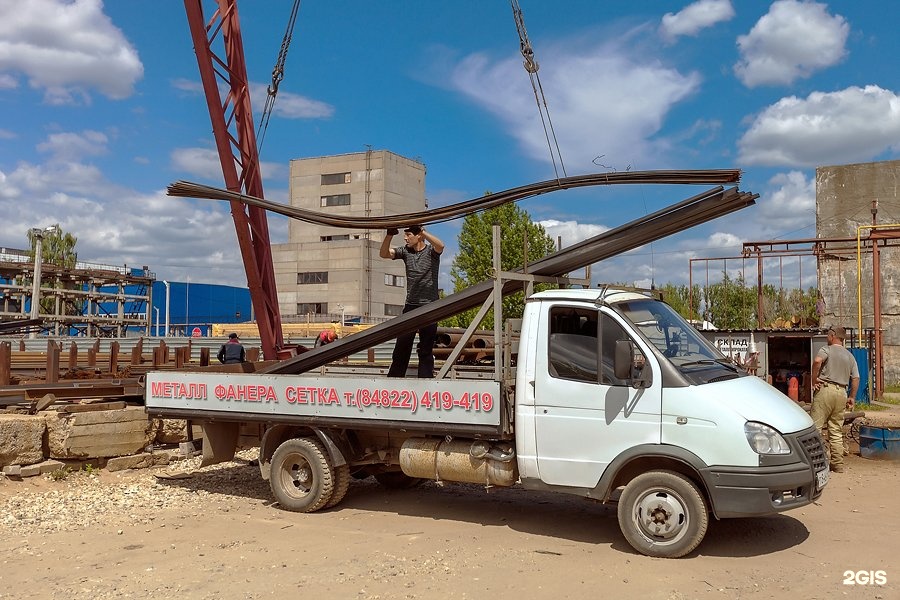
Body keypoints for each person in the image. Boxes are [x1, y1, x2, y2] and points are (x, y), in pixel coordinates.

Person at [379, 224, 444, 378]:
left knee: (426, 347)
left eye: (408, 234)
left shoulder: (431, 252)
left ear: (419, 236)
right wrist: (389, 235)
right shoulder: (405, 251)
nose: (405, 237)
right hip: (411, 305)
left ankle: (425, 379)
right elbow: (384, 254)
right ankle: (395, 378)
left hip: (429, 305)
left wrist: (423, 232)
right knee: (402, 344)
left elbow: (441, 245)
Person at [810, 326, 860, 473]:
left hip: (826, 390)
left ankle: (816, 463)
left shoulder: (827, 349)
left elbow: (817, 361)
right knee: (836, 430)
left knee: (815, 429)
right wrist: (852, 397)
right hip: (842, 393)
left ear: (832, 336)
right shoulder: (850, 356)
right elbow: (856, 378)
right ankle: (837, 464)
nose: (827, 337)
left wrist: (814, 379)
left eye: (828, 335)